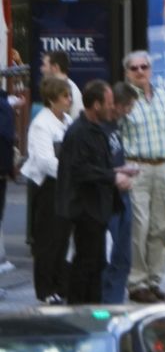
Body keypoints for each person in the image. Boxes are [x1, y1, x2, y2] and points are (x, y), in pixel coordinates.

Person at [117, 50, 165, 291]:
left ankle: (157, 278)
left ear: (151, 69)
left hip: (162, 167)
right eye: (134, 68)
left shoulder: (164, 97)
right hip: (135, 167)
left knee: (163, 226)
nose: (140, 72)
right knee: (139, 225)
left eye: (144, 67)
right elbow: (113, 136)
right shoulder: (123, 101)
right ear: (127, 73)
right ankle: (137, 281)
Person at [58, 81, 128, 305]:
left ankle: (93, 310)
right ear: (96, 105)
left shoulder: (97, 129)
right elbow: (80, 169)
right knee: (86, 264)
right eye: (108, 103)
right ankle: (79, 311)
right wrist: (113, 177)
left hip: (98, 209)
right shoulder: (79, 133)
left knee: (97, 263)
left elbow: (95, 166)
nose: (112, 107)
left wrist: (117, 171)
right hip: (85, 210)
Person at [24, 77, 72, 303]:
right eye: (65, 96)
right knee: (47, 240)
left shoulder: (67, 120)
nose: (69, 100)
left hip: (64, 185)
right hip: (47, 186)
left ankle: (61, 285)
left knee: (63, 237)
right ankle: (44, 290)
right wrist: (72, 173)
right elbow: (45, 161)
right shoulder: (42, 124)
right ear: (53, 100)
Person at [100, 84, 138, 302]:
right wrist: (116, 174)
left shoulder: (115, 125)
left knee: (123, 255)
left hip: (121, 194)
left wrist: (123, 170)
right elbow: (94, 167)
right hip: (108, 197)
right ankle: (106, 302)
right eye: (129, 106)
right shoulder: (99, 128)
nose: (130, 111)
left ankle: (116, 301)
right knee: (110, 256)